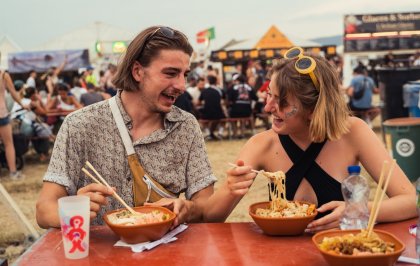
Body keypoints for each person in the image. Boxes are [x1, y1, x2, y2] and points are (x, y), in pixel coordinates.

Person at [214, 47, 416, 232]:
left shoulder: (352, 131)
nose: (267, 108)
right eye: (269, 95)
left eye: (282, 102)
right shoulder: (262, 144)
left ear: (314, 109)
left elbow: (411, 201)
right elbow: (210, 218)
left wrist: (357, 209)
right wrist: (230, 189)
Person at [36, 26, 218, 229]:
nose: (181, 85)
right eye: (171, 73)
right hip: (98, 255)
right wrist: (73, 209)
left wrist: (188, 208)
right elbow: (44, 211)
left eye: (185, 74)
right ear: (138, 71)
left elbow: (206, 205)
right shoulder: (80, 125)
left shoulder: (185, 127)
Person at [0, 70, 28, 179]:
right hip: (2, 113)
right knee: (8, 144)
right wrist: (23, 104)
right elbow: (13, 93)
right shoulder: (3, 75)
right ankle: (13, 172)